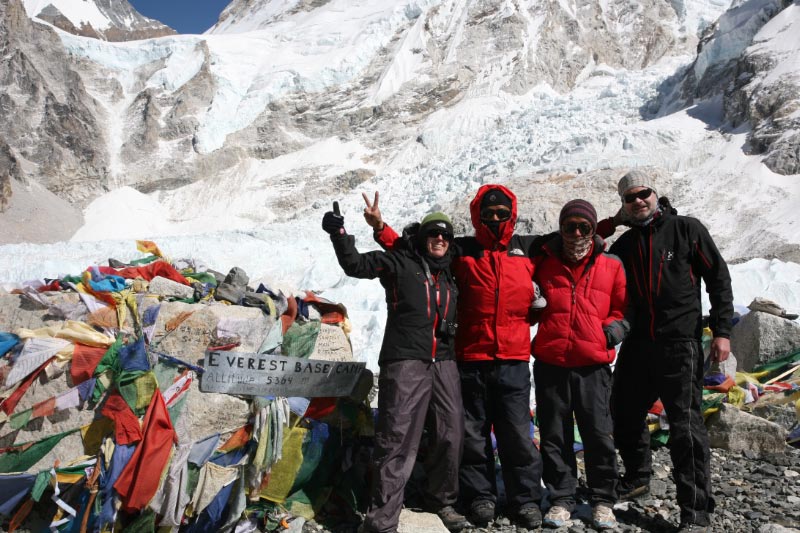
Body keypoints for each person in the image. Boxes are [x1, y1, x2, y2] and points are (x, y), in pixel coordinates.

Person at [363, 187, 545, 529]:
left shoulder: (528, 248)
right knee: (471, 433)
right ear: (478, 215)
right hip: (470, 356)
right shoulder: (463, 249)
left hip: (513, 356)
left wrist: (607, 229)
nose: (494, 219)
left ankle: (526, 499)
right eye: (488, 213)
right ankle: (480, 498)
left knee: (518, 432)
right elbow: (412, 252)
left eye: (501, 213)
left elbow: (573, 244)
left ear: (512, 214)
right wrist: (380, 228)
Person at [599, 170, 734, 533]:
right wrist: (612, 224)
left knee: (685, 428)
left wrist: (722, 331)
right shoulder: (624, 245)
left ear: (656, 194)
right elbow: (588, 244)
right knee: (623, 411)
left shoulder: (686, 229)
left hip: (681, 343)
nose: (638, 200)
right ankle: (639, 477)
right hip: (639, 343)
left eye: (643, 193)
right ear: (624, 206)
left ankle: (695, 510)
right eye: (629, 198)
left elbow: (718, 277)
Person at [322, 202, 469, 533]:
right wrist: (339, 233)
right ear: (421, 237)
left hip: (444, 360)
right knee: (397, 438)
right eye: (433, 233)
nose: (440, 238)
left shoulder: (450, 269)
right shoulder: (398, 263)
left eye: (445, 234)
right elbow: (355, 265)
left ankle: (440, 500)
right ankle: (381, 521)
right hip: (405, 360)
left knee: (451, 432)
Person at [530, 199, 628, 530]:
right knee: (554, 434)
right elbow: (529, 300)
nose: (576, 233)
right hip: (551, 362)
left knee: (598, 433)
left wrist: (611, 333)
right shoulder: (544, 262)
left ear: (592, 229)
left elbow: (625, 311)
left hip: (592, 365)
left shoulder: (611, 265)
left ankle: (603, 499)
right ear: (561, 228)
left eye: (583, 227)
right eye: (569, 226)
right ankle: (561, 498)